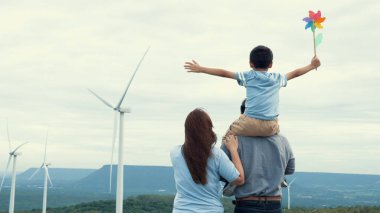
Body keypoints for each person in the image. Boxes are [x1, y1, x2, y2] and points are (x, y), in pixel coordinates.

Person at [184, 45, 321, 138]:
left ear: (250, 63)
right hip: (271, 125)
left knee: (228, 137)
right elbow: (296, 73)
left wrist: (201, 69)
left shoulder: (249, 76)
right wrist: (312, 65)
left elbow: (224, 73)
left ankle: (228, 172)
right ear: (271, 64)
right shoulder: (277, 79)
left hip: (249, 122)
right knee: (278, 140)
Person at [221, 100, 295, 213]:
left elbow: (221, 173)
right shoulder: (283, 141)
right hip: (274, 205)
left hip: (246, 204)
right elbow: (290, 169)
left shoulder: (232, 140)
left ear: (243, 115)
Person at [170, 108, 245, 213]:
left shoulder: (175, 153)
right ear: (208, 129)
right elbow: (239, 179)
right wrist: (233, 150)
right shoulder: (216, 155)